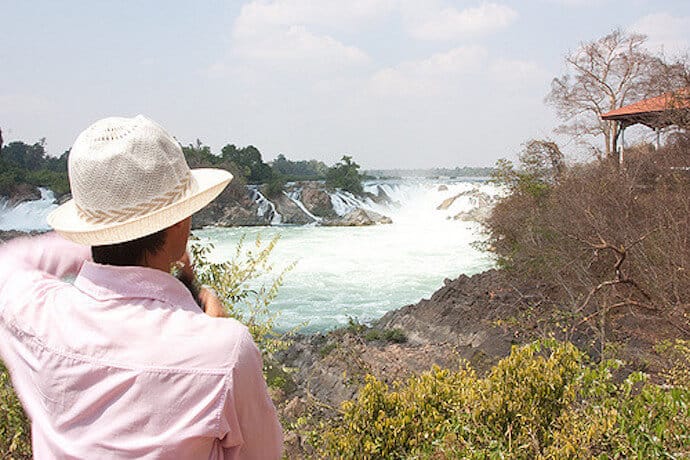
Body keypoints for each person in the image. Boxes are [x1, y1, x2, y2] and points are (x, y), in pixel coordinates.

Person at [0, 115, 283, 459]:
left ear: (84, 224)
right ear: (181, 218)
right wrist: (215, 328)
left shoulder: (37, 317)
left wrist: (102, 232)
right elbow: (263, 453)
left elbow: (10, 261)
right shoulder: (224, 350)